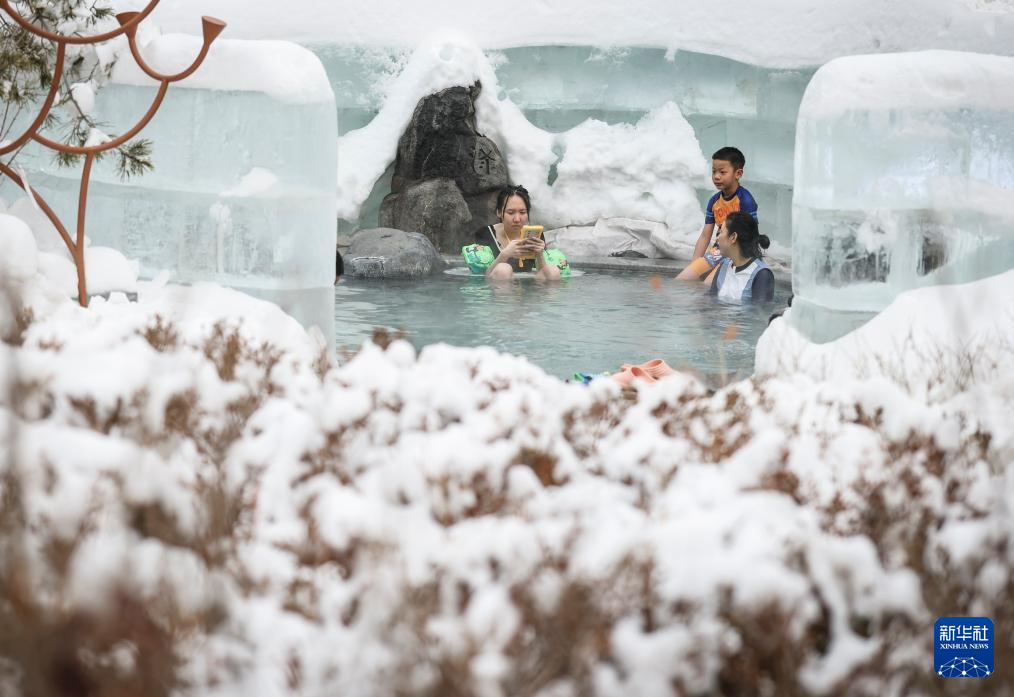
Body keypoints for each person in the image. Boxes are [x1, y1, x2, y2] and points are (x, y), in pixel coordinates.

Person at [676, 146, 758, 281]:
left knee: (709, 284)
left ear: (738, 174)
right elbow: (705, 236)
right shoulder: (714, 201)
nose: (716, 176)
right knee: (683, 279)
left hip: (738, 255)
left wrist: (741, 262)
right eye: (714, 172)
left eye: (722, 172)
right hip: (718, 251)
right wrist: (694, 264)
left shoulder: (745, 201)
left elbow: (752, 236)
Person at [475, 185, 562, 281]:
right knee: (503, 269)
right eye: (511, 212)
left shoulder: (534, 234)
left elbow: (542, 273)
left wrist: (539, 254)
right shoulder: (486, 234)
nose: (517, 219)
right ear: (499, 212)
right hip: (497, 288)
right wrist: (505, 254)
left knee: (553, 271)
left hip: (531, 288)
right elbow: (481, 277)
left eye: (522, 212)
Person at [708, 211, 774, 303]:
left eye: (721, 232)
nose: (717, 238)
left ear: (733, 237)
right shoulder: (723, 267)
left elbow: (760, 311)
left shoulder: (762, 275)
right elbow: (710, 302)